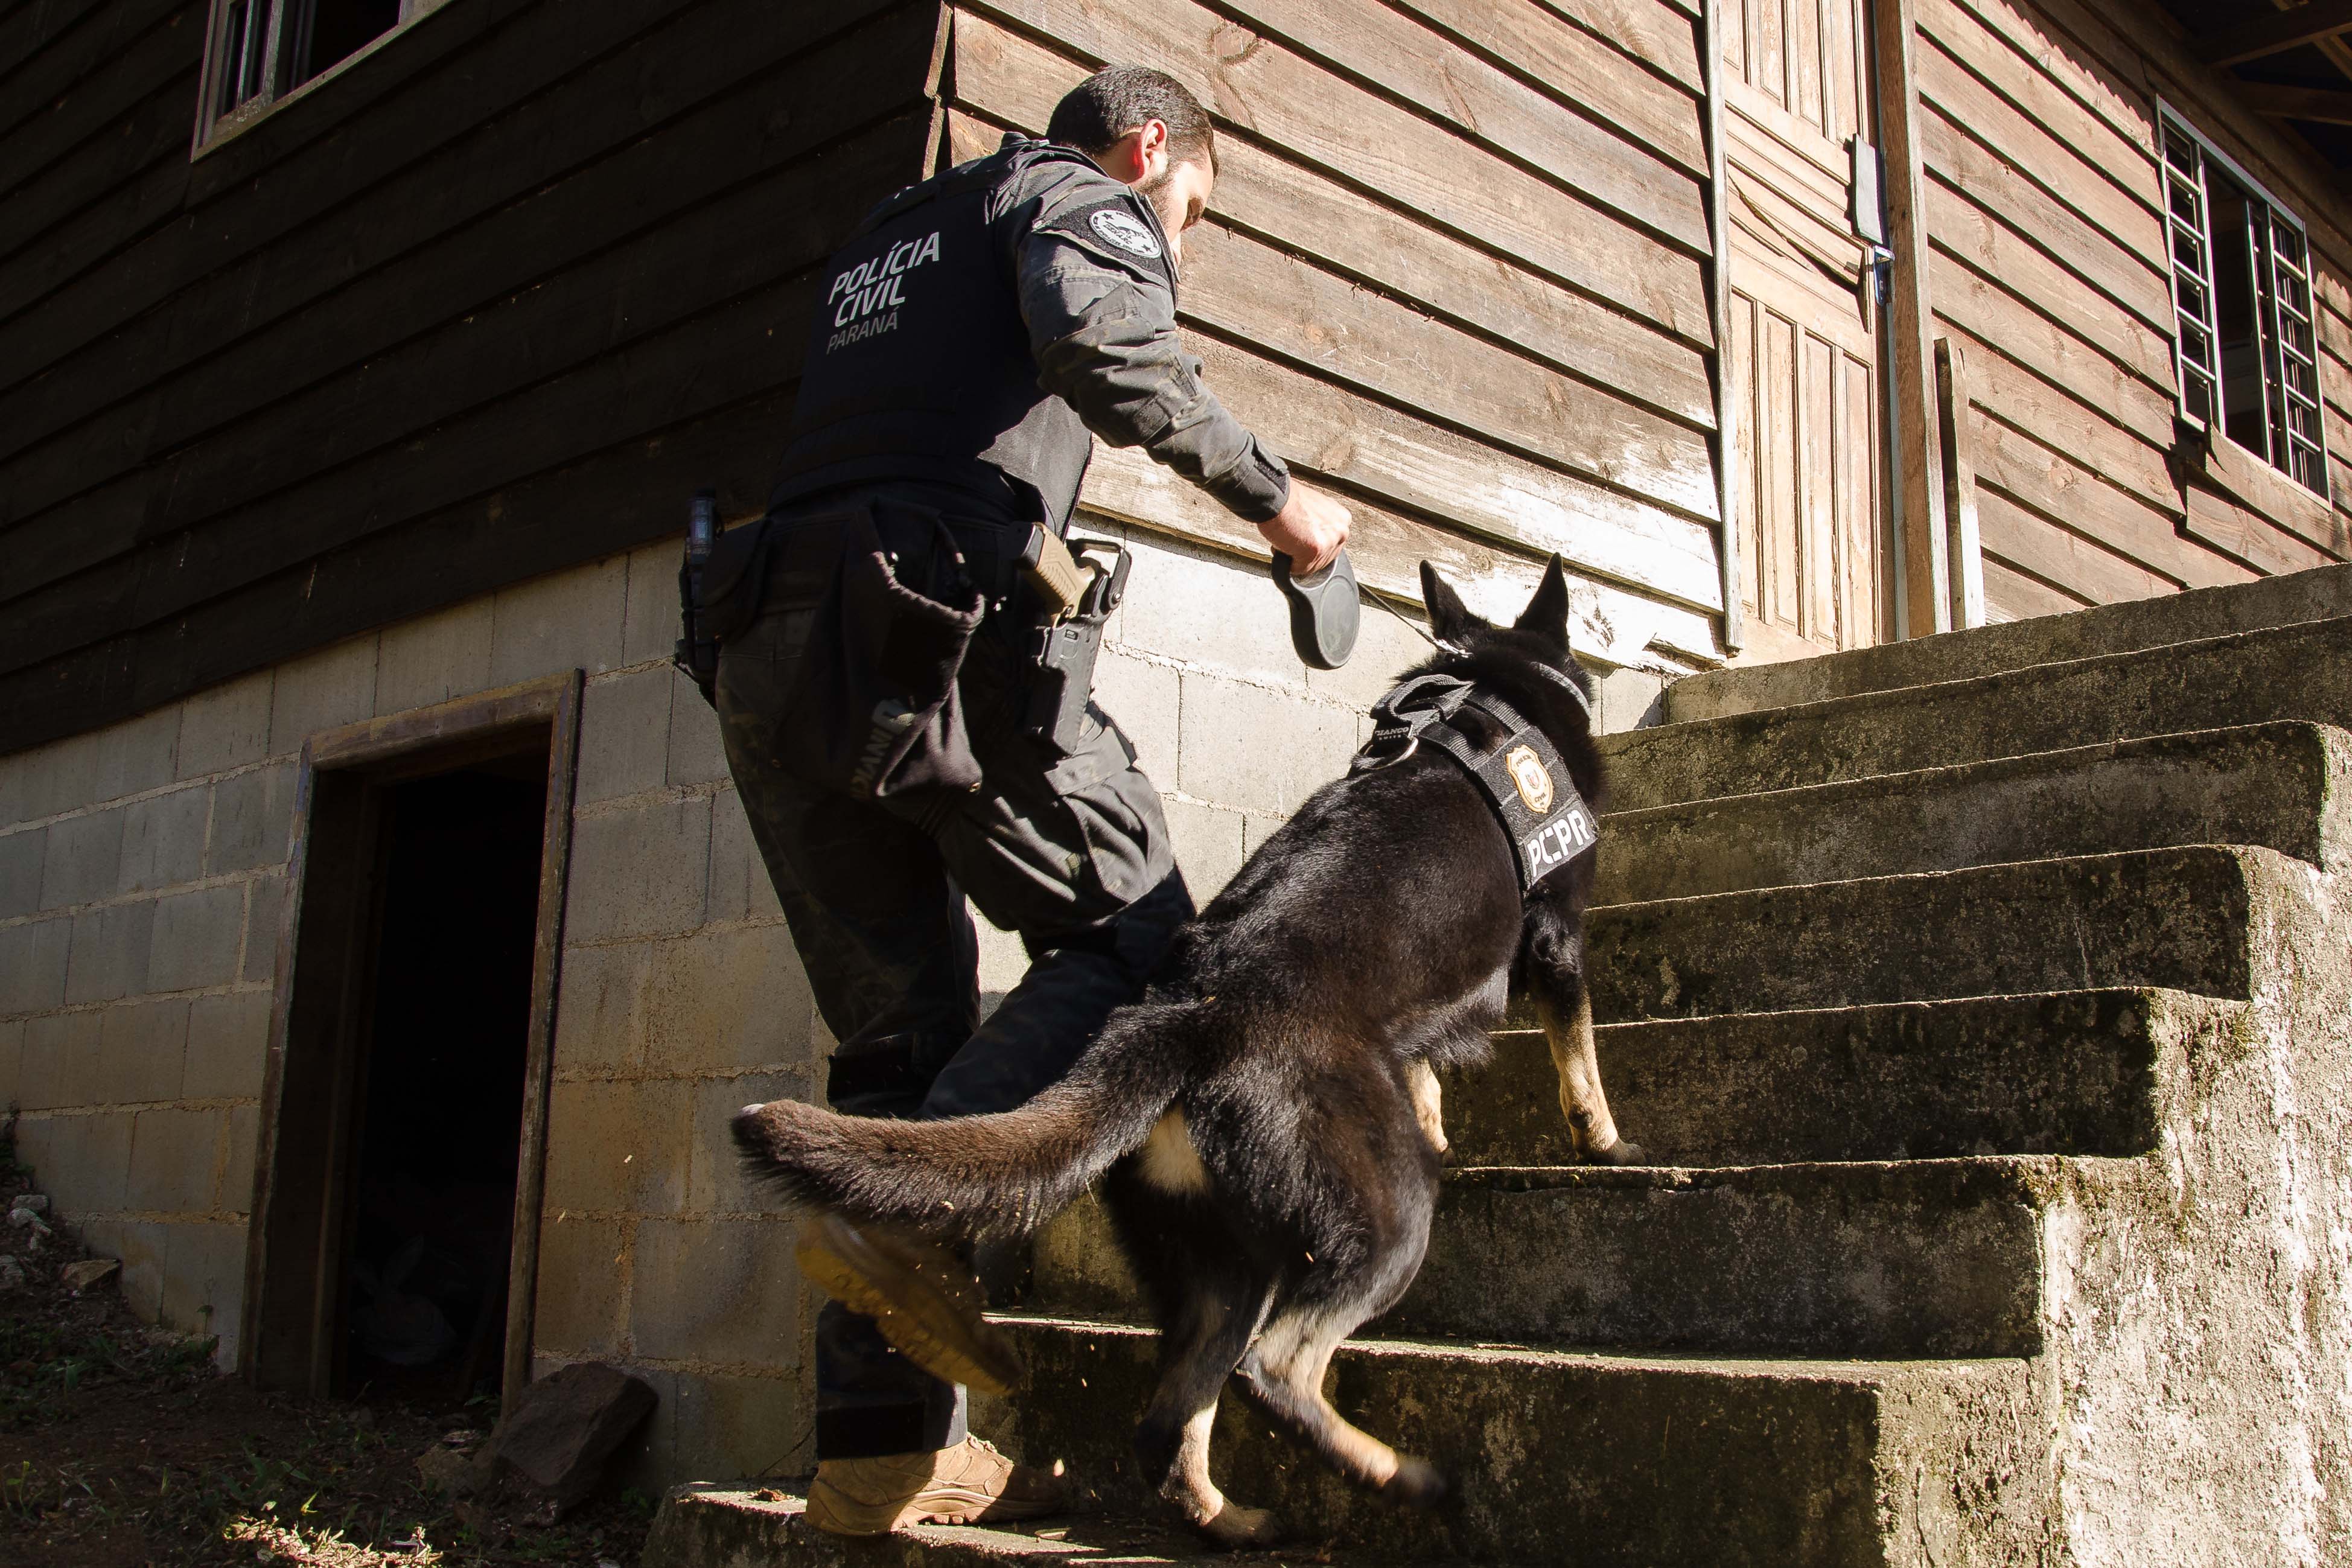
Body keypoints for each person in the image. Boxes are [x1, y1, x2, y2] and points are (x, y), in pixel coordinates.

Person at [713, 65, 1352, 1535]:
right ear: (1148, 151)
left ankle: (872, 1461)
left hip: (770, 646)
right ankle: (913, 1225)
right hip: (932, 637)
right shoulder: (1075, 195)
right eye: (1188, 211)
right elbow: (1111, 351)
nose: (1178, 243)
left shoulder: (893, 229)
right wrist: (1280, 502)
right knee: (1136, 940)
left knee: (895, 1042)